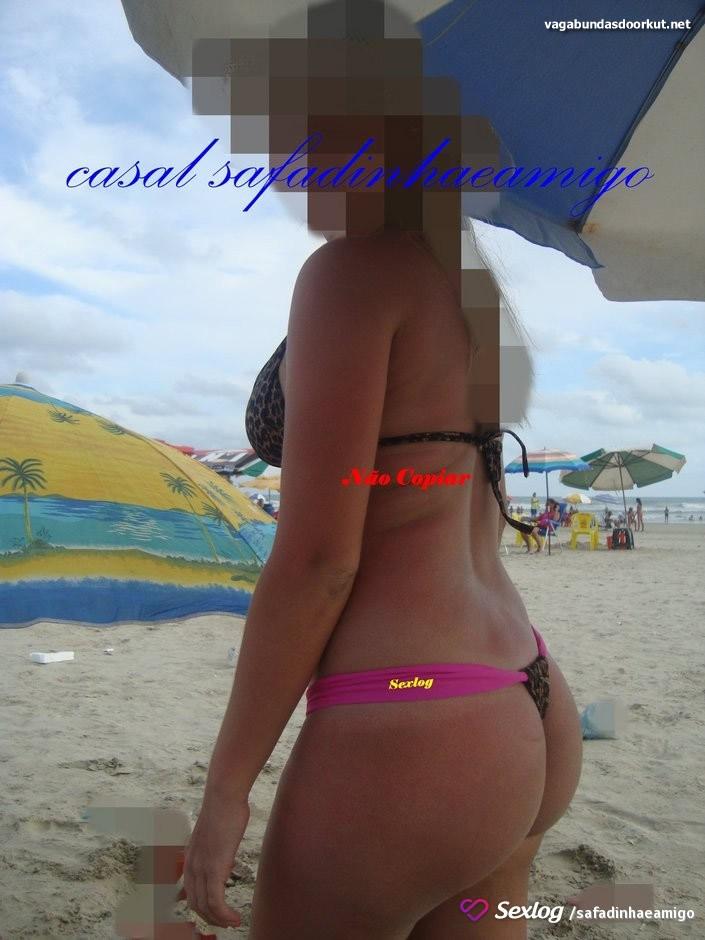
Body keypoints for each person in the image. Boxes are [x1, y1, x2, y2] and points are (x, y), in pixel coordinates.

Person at [182, 4, 582, 935]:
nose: (274, 155)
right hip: (519, 686)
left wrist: (227, 787)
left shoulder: (350, 275)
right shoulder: (463, 283)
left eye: (290, 123)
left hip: (414, 705)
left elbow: (320, 560)